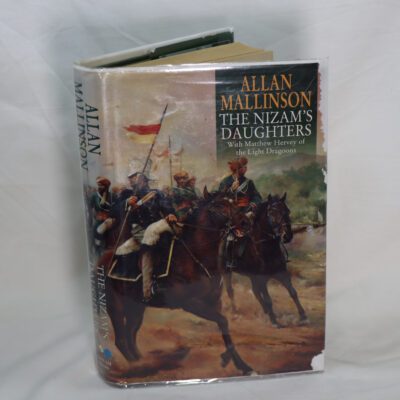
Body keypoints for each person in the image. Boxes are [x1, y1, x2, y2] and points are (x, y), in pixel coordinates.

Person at [218, 157, 262, 269]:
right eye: (243, 167)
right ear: (236, 169)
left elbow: (257, 197)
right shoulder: (225, 182)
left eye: (245, 166)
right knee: (230, 235)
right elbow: (220, 198)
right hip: (231, 213)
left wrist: (251, 206)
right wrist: (231, 190)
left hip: (246, 212)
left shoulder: (249, 182)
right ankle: (230, 260)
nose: (246, 169)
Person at [89, 176, 114, 254]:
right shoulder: (94, 196)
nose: (99, 187)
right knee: (96, 231)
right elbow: (90, 208)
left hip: (110, 219)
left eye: (101, 185)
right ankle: (97, 248)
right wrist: (94, 217)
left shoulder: (112, 196)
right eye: (98, 185)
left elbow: (115, 208)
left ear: (106, 186)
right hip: (99, 219)